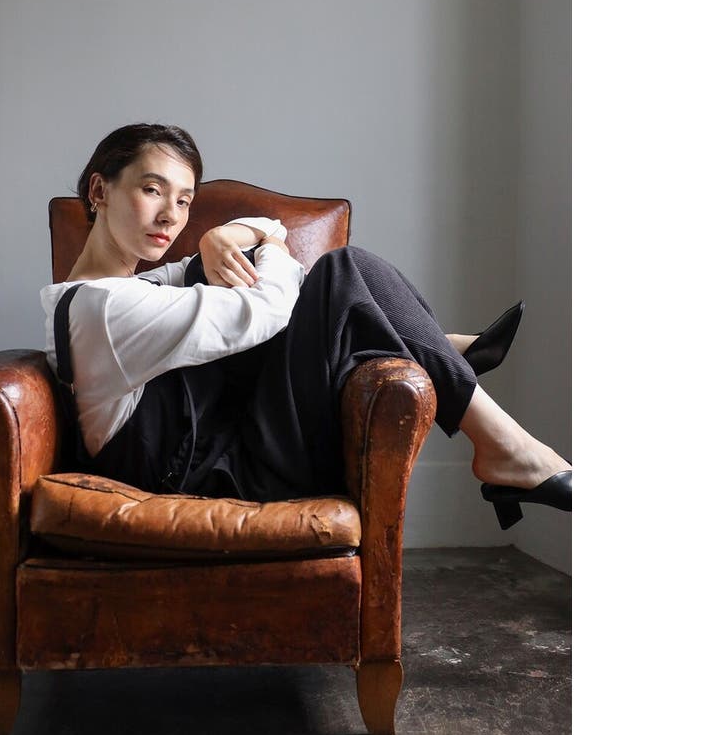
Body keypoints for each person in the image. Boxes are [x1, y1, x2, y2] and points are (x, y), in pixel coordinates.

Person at [40, 123, 571, 529]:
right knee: (343, 270)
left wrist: (223, 236)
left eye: (184, 200)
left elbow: (268, 234)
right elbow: (273, 306)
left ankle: (439, 360)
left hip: (234, 453)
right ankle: (500, 442)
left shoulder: (136, 289)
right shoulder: (102, 310)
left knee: (228, 271)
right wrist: (268, 246)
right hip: (223, 480)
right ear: (99, 190)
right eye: (153, 190)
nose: (170, 216)